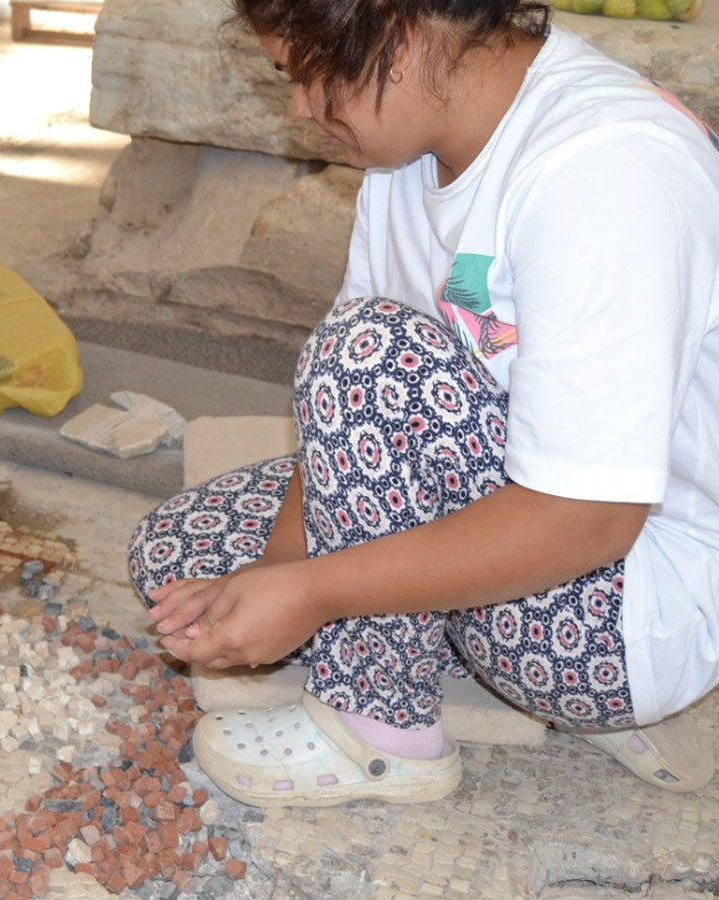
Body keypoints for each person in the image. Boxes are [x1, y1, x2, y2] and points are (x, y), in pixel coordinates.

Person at [131, 0, 719, 806]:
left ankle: (382, 733)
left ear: (397, 36)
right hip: (508, 499)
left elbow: (590, 517)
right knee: (183, 560)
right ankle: (417, 639)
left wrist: (312, 594)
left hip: (628, 598)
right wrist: (273, 575)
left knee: (372, 355)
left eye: (309, 73)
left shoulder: (605, 171)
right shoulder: (410, 158)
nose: (301, 108)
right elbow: (346, 419)